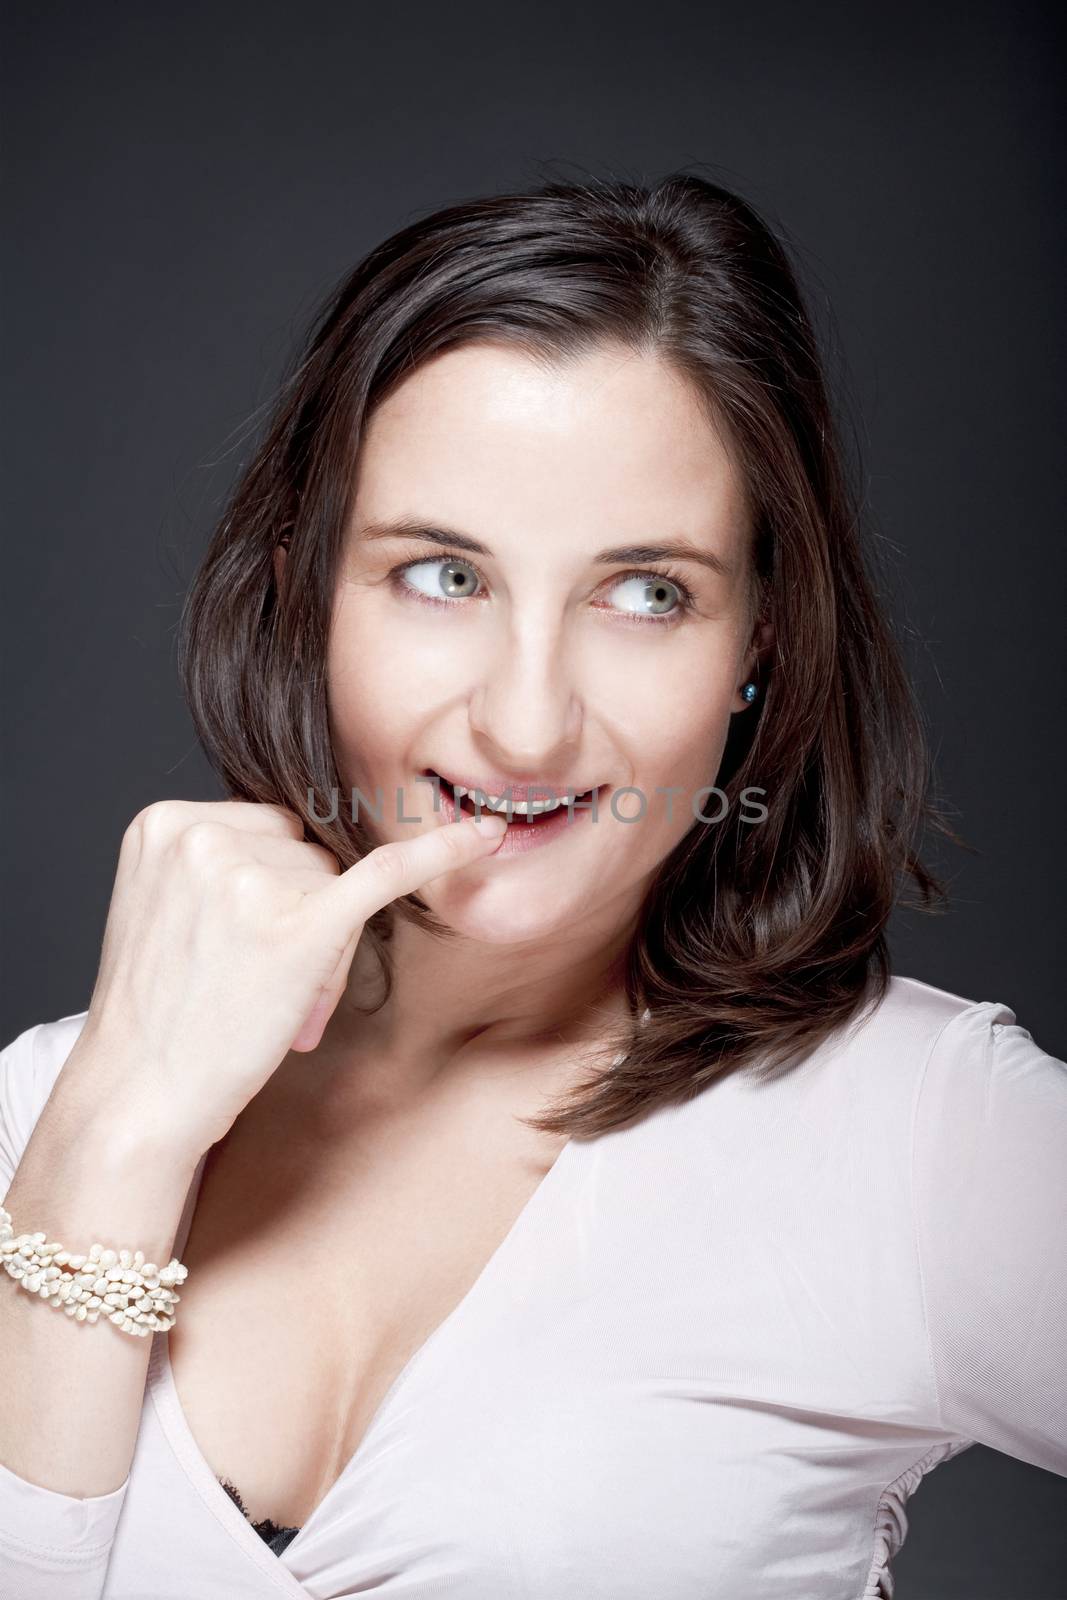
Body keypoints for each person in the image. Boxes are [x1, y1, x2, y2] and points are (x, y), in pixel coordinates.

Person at [1, 171, 1064, 1600]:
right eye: (444, 576)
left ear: (760, 642)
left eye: (647, 593)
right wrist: (109, 1150)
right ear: (303, 594)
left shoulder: (919, 1135)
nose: (526, 724)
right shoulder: (39, 1113)